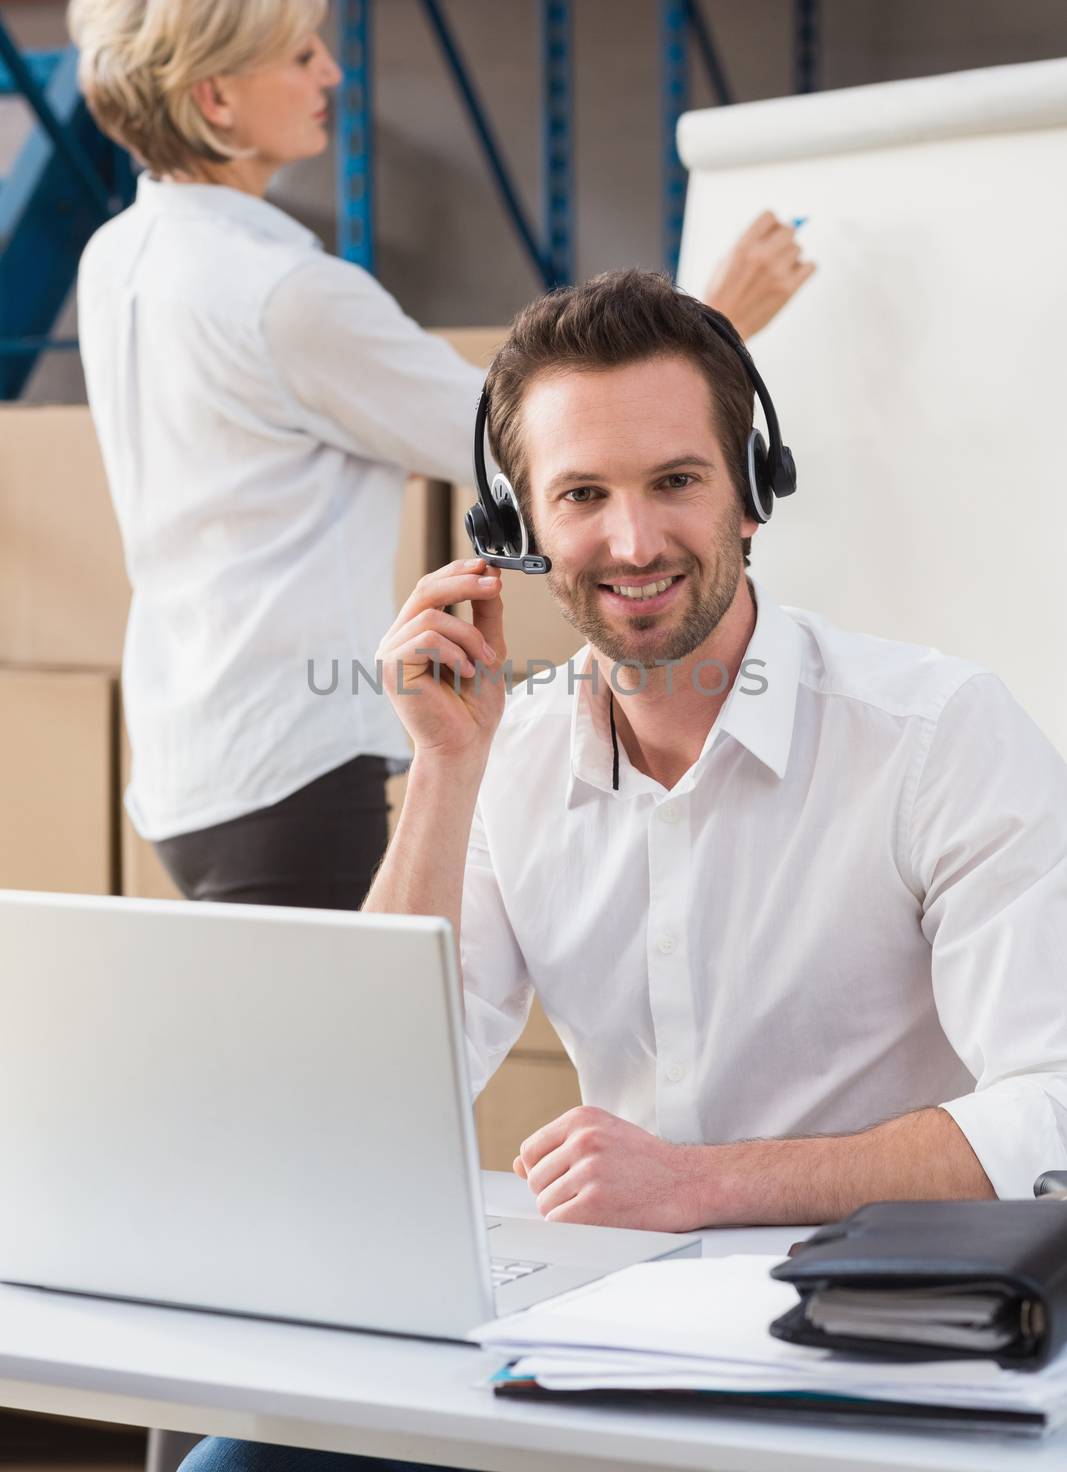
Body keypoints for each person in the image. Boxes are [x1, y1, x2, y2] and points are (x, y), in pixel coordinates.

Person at [182, 269, 1067, 1472]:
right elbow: (357, 1103)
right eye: (581, 494)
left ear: (753, 493)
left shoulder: (938, 735)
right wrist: (443, 769)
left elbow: (1049, 1110)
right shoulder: (510, 754)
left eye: (675, 482)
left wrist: (698, 1184)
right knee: (246, 1460)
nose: (633, 540)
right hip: (600, 1338)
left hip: (873, 1345)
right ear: (515, 530)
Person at [69, 0, 813, 912]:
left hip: (189, 762)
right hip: (290, 768)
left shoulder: (120, 254)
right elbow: (524, 443)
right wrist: (712, 321)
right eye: (299, 54)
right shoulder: (285, 295)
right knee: (357, 1055)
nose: (329, 72)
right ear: (215, 99)